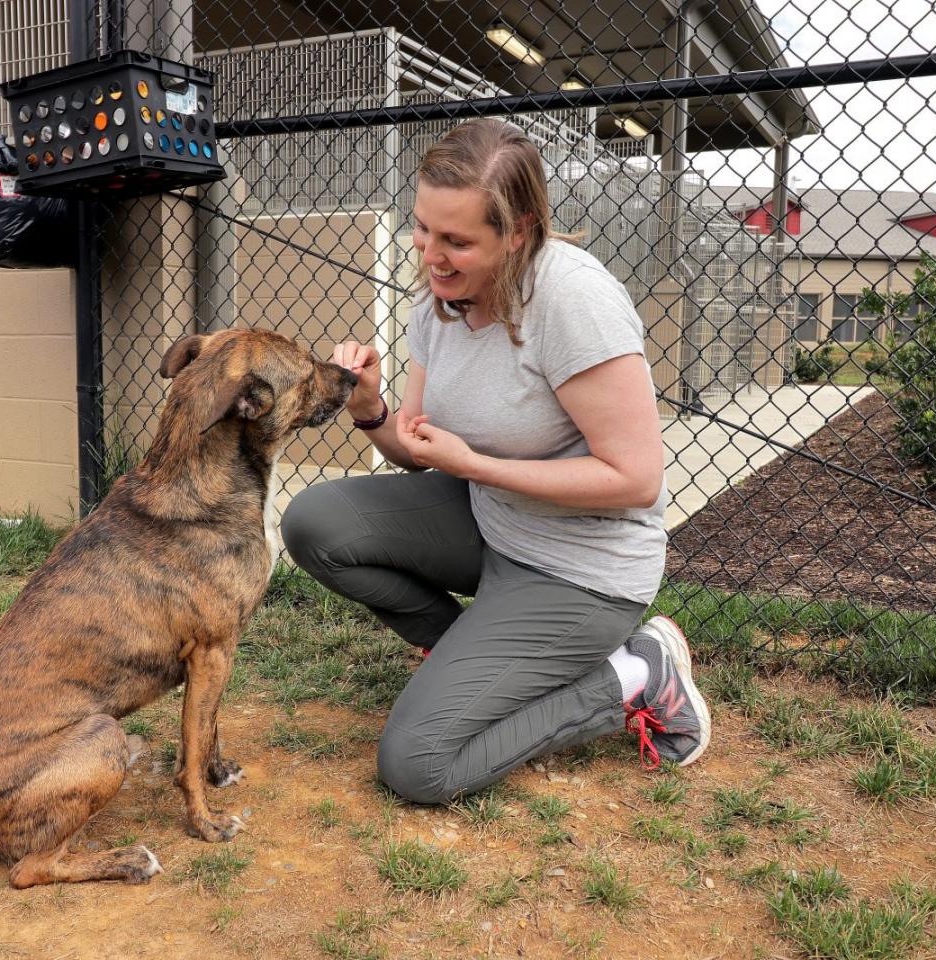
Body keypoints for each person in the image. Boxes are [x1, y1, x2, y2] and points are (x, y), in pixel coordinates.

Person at [280, 118, 710, 805]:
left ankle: (636, 674)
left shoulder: (572, 300)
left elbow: (635, 480)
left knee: (418, 766)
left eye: (457, 241)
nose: (431, 255)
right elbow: (416, 450)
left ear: (518, 231)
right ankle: (469, 664)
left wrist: (476, 465)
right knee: (314, 523)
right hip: (494, 525)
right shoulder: (440, 301)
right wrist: (370, 408)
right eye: (422, 229)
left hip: (583, 570)